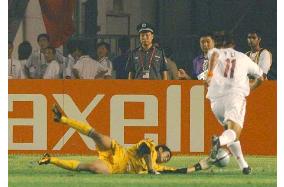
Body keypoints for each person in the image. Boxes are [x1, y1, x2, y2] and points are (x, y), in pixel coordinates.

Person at [38, 104, 208, 174]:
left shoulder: (158, 167)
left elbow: (179, 171)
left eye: (168, 159)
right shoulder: (151, 145)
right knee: (97, 135)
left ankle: (50, 159)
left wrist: (201, 166)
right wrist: (150, 169)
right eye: (167, 155)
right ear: (161, 149)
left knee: (90, 168)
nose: (167, 159)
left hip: (115, 167)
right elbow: (144, 150)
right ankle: (63, 119)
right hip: (117, 151)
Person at [205, 32, 264, 175]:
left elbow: (214, 56)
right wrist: (250, 87)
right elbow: (261, 77)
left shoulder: (214, 51)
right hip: (234, 96)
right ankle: (219, 141)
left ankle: (243, 166)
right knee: (233, 132)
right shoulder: (243, 57)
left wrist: (211, 73)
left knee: (230, 131)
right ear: (234, 44)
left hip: (215, 101)